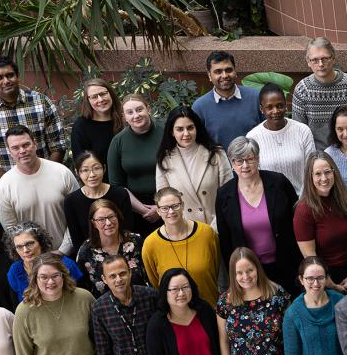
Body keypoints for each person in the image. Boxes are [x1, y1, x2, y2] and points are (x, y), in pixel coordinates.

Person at [217, 137, 303, 294]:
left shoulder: (279, 182)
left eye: (250, 159)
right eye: (238, 161)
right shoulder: (224, 194)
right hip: (249, 272)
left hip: (286, 263)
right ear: (231, 163)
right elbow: (225, 241)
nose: (245, 165)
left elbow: (298, 219)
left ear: (257, 158)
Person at [0, 55, 65, 181]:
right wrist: (13, 186)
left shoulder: (41, 103)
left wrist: (48, 177)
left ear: (18, 77)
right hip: (11, 186)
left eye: (10, 75)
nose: (6, 81)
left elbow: (58, 145)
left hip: (47, 177)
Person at [0, 125, 80, 254]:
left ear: (34, 144)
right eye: (15, 148)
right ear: (9, 151)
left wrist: (63, 251)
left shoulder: (62, 172)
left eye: (26, 145)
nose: (22, 150)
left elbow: (77, 213)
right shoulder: (4, 186)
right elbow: (12, 230)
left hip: (69, 253)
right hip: (32, 259)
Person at [155, 106, 233, 228]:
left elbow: (229, 194)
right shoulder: (164, 160)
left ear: (197, 128)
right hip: (184, 230)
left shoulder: (216, 153)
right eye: (180, 129)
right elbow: (164, 202)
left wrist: (216, 227)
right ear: (172, 132)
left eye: (190, 128)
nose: (186, 133)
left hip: (218, 226)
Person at [141, 187, 222, 303]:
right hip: (176, 314)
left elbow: (215, 269)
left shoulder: (206, 233)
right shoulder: (150, 244)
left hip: (209, 307)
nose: (171, 211)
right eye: (164, 208)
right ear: (158, 211)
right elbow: (156, 283)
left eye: (175, 206)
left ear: (183, 205)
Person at [294, 151, 347, 291]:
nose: (324, 178)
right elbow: (310, 257)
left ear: (334, 173)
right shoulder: (304, 210)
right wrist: (332, 285)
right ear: (310, 177)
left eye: (327, 172)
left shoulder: (344, 201)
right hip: (322, 279)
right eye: (317, 174)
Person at [292, 37, 347, 148]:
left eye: (325, 58)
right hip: (317, 157)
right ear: (308, 62)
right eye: (315, 60)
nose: (321, 64)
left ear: (333, 58)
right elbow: (300, 131)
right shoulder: (302, 90)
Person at [108, 93, 165, 236]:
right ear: (125, 117)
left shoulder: (166, 132)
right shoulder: (118, 142)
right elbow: (117, 185)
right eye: (130, 112)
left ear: (148, 109)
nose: (136, 115)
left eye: (139, 109)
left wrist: (161, 208)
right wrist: (144, 211)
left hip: (169, 203)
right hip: (135, 208)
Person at [246, 83, 316, 194]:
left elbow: (311, 168)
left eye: (279, 105)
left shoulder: (303, 131)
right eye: (269, 107)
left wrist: (302, 200)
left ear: (286, 105)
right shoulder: (253, 137)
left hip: (303, 200)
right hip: (270, 203)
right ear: (261, 109)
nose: (275, 111)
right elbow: (253, 175)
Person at [63, 151, 135, 252]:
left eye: (96, 168)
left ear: (104, 168)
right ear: (77, 172)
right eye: (85, 170)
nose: (92, 174)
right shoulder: (71, 201)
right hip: (89, 257)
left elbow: (127, 229)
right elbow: (76, 239)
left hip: (123, 250)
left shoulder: (120, 194)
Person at [75, 199, 147, 297]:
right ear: (94, 223)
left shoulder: (136, 241)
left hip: (142, 302)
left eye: (111, 217)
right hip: (105, 309)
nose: (108, 223)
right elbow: (82, 288)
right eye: (101, 220)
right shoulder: (85, 251)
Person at [192, 50, 263, 146]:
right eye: (218, 72)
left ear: (235, 71)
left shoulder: (256, 98)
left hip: (253, 160)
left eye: (228, 70)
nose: (224, 75)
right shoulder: (200, 107)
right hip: (217, 161)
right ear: (209, 75)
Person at [4, 222, 84, 302]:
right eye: (19, 247)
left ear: (41, 243)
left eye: (30, 244)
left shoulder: (66, 265)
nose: (25, 250)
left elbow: (81, 297)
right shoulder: (15, 271)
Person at [71, 78, 122, 161]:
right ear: (88, 101)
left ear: (111, 94)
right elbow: (81, 163)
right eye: (94, 97)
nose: (100, 100)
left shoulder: (125, 119)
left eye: (103, 94)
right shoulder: (81, 126)